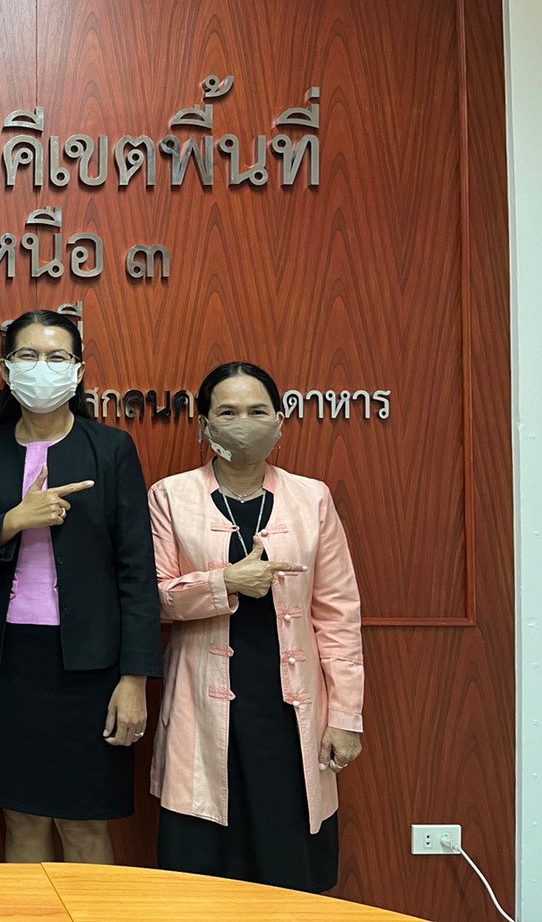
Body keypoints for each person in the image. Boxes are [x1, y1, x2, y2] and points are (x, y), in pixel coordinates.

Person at [0, 309, 161, 864]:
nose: (43, 367)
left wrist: (134, 679)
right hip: (4, 663)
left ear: (78, 370)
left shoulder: (111, 448)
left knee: (84, 825)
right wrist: (13, 521)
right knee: (21, 817)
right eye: (29, 355)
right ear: (7, 368)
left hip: (90, 666)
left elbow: (137, 571)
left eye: (57, 356)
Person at [151, 362, 364, 892]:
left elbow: (337, 613)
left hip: (288, 710)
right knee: (201, 874)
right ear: (204, 424)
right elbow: (154, 599)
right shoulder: (170, 496)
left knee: (286, 869)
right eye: (227, 412)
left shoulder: (311, 498)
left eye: (256, 411)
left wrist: (345, 716)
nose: (243, 423)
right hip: (203, 706)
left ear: (279, 421)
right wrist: (225, 582)